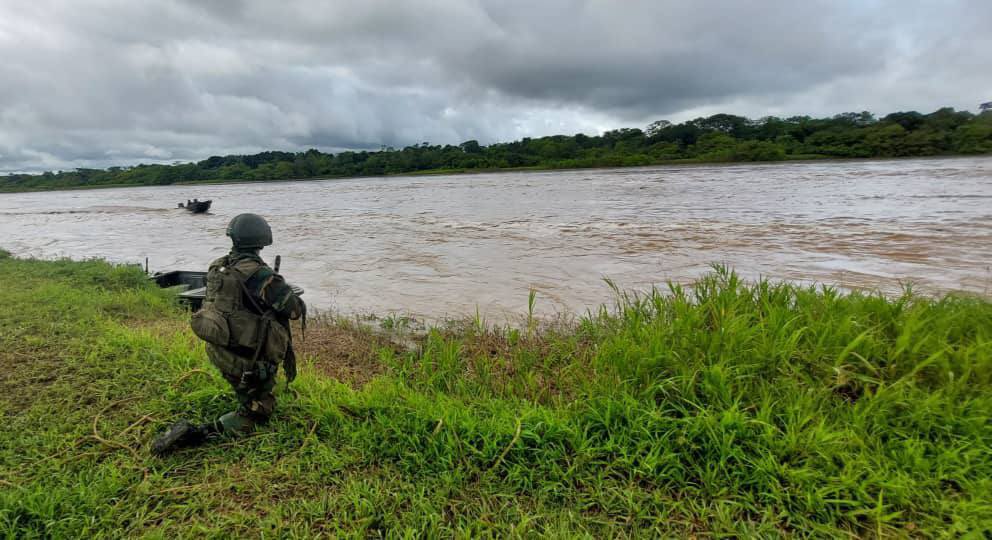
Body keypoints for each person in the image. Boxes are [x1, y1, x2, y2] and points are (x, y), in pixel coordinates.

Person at [152, 213, 305, 455]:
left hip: (220, 350)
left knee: (259, 386)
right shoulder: (260, 275)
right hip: (247, 360)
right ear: (262, 240)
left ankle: (246, 388)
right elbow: (294, 310)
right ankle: (201, 432)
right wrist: (279, 287)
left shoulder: (219, 265)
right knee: (260, 412)